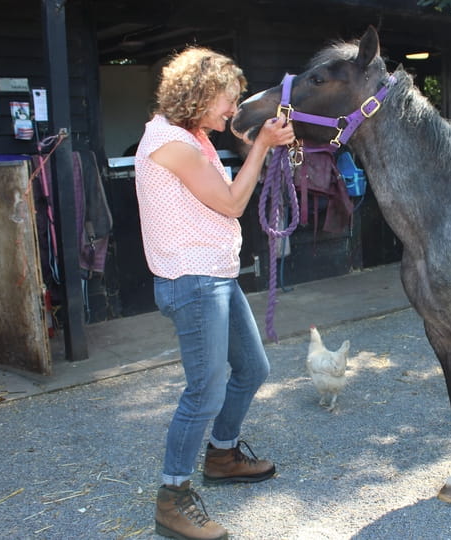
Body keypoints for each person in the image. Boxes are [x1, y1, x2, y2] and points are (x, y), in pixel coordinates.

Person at [134, 46, 295, 540]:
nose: (233, 107)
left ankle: (222, 456)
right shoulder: (172, 143)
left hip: (214, 276)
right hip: (193, 280)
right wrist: (264, 147)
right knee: (204, 391)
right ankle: (172, 498)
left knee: (252, 368)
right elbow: (229, 202)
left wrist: (255, 135)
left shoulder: (193, 136)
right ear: (200, 94)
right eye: (228, 99)